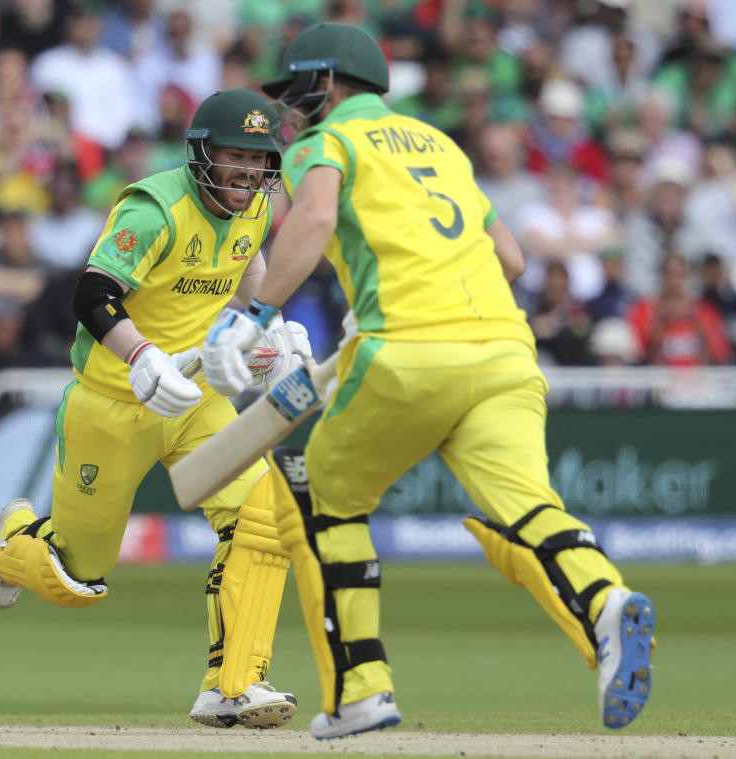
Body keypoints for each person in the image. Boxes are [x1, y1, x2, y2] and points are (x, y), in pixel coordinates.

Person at [200, 22, 657, 740]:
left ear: (327, 82)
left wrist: (253, 314)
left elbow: (315, 217)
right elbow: (507, 258)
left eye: (299, 91)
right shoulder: (442, 145)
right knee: (531, 509)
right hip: (506, 353)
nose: (293, 108)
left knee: (322, 498)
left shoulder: (333, 143)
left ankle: (360, 689)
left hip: (408, 352)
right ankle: (605, 600)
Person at [0, 88, 312, 730]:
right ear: (201, 155)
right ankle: (13, 543)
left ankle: (235, 685)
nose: (246, 172)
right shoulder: (155, 208)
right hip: (115, 405)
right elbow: (93, 292)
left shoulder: (255, 205)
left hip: (198, 402)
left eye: (258, 158)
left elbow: (246, 265)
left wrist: (267, 326)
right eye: (233, 156)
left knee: (263, 513)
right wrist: (142, 358)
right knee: (79, 575)